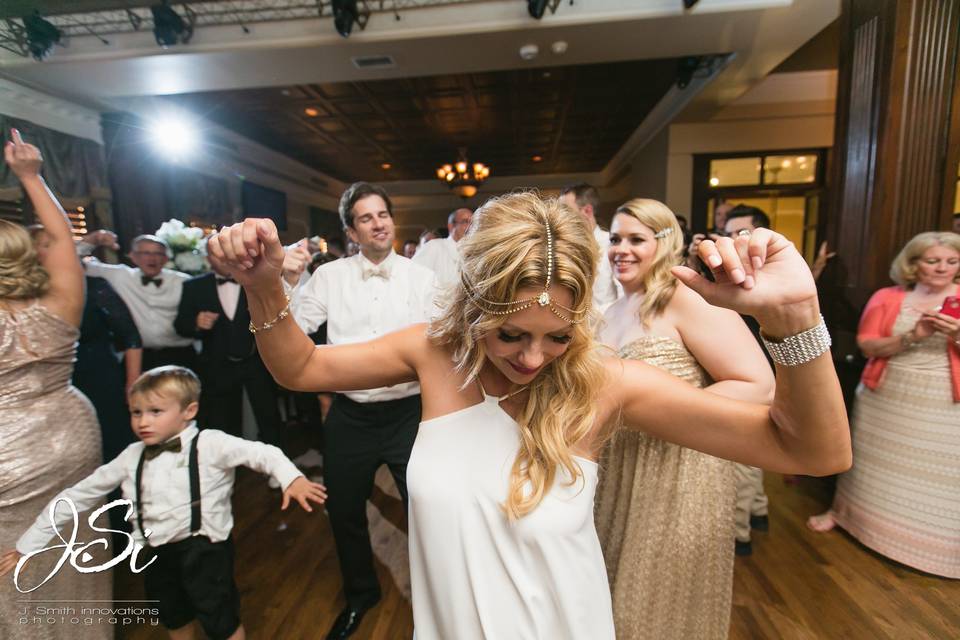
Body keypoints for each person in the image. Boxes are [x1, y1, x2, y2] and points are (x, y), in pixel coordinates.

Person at [208, 190, 850, 639]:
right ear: (475, 309)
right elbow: (301, 369)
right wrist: (265, 285)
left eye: (558, 336)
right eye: (511, 334)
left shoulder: (607, 383)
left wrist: (795, 320)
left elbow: (812, 452)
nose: (534, 358)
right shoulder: (434, 354)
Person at [1, 366, 327, 640]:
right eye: (136, 412)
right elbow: (77, 495)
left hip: (205, 549)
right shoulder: (130, 457)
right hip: (155, 552)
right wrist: (31, 542)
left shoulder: (210, 444)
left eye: (155, 412)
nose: (143, 422)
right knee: (173, 614)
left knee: (220, 618)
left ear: (189, 411)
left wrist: (291, 477)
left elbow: (263, 453)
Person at [594, 199, 774, 639]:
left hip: (681, 468)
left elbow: (758, 384)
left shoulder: (685, 300)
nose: (622, 249)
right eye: (616, 238)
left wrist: (664, 415)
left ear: (665, 241)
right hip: (619, 467)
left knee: (658, 597)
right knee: (614, 589)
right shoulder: (608, 315)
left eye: (637, 239)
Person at [289, 182, 437, 639]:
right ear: (351, 231)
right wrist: (283, 283)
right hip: (350, 416)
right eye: (366, 218)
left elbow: (443, 345)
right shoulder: (329, 276)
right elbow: (294, 329)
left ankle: (437, 598)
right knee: (345, 510)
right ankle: (361, 594)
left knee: (428, 510)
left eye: (383, 215)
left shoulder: (422, 278)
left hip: (409, 415)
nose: (378, 223)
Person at [0, 129, 111, 639]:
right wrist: (31, 177)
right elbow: (64, 238)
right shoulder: (60, 303)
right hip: (72, 435)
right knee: (74, 553)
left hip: (8, 459)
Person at [808, 231, 960, 578]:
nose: (942, 269)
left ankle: (934, 543)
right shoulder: (888, 297)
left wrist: (956, 334)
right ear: (913, 264)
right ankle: (850, 516)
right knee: (870, 458)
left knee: (940, 469)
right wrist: (913, 336)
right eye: (932, 261)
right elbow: (867, 346)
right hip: (889, 389)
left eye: (951, 262)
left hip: (945, 395)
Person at [173, 263, 282, 447]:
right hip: (219, 364)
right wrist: (196, 323)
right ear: (208, 257)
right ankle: (230, 469)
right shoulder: (194, 286)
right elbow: (180, 325)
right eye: (218, 254)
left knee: (268, 413)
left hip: (257, 360)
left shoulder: (254, 280)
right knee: (223, 419)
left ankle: (279, 464)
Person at [80, 229, 195, 370]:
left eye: (158, 253)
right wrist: (93, 239)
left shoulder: (184, 282)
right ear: (133, 257)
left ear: (165, 258)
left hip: (181, 355)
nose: (152, 258)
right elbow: (69, 262)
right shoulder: (119, 275)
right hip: (139, 358)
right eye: (145, 253)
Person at [560, 182, 621, 312]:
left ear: (587, 211)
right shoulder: (563, 248)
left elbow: (624, 297)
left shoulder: (613, 245)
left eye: (566, 210)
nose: (561, 217)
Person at [413, 207, 473, 290]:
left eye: (473, 223)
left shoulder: (475, 253)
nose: (471, 227)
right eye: (465, 221)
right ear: (451, 226)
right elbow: (413, 275)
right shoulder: (434, 246)